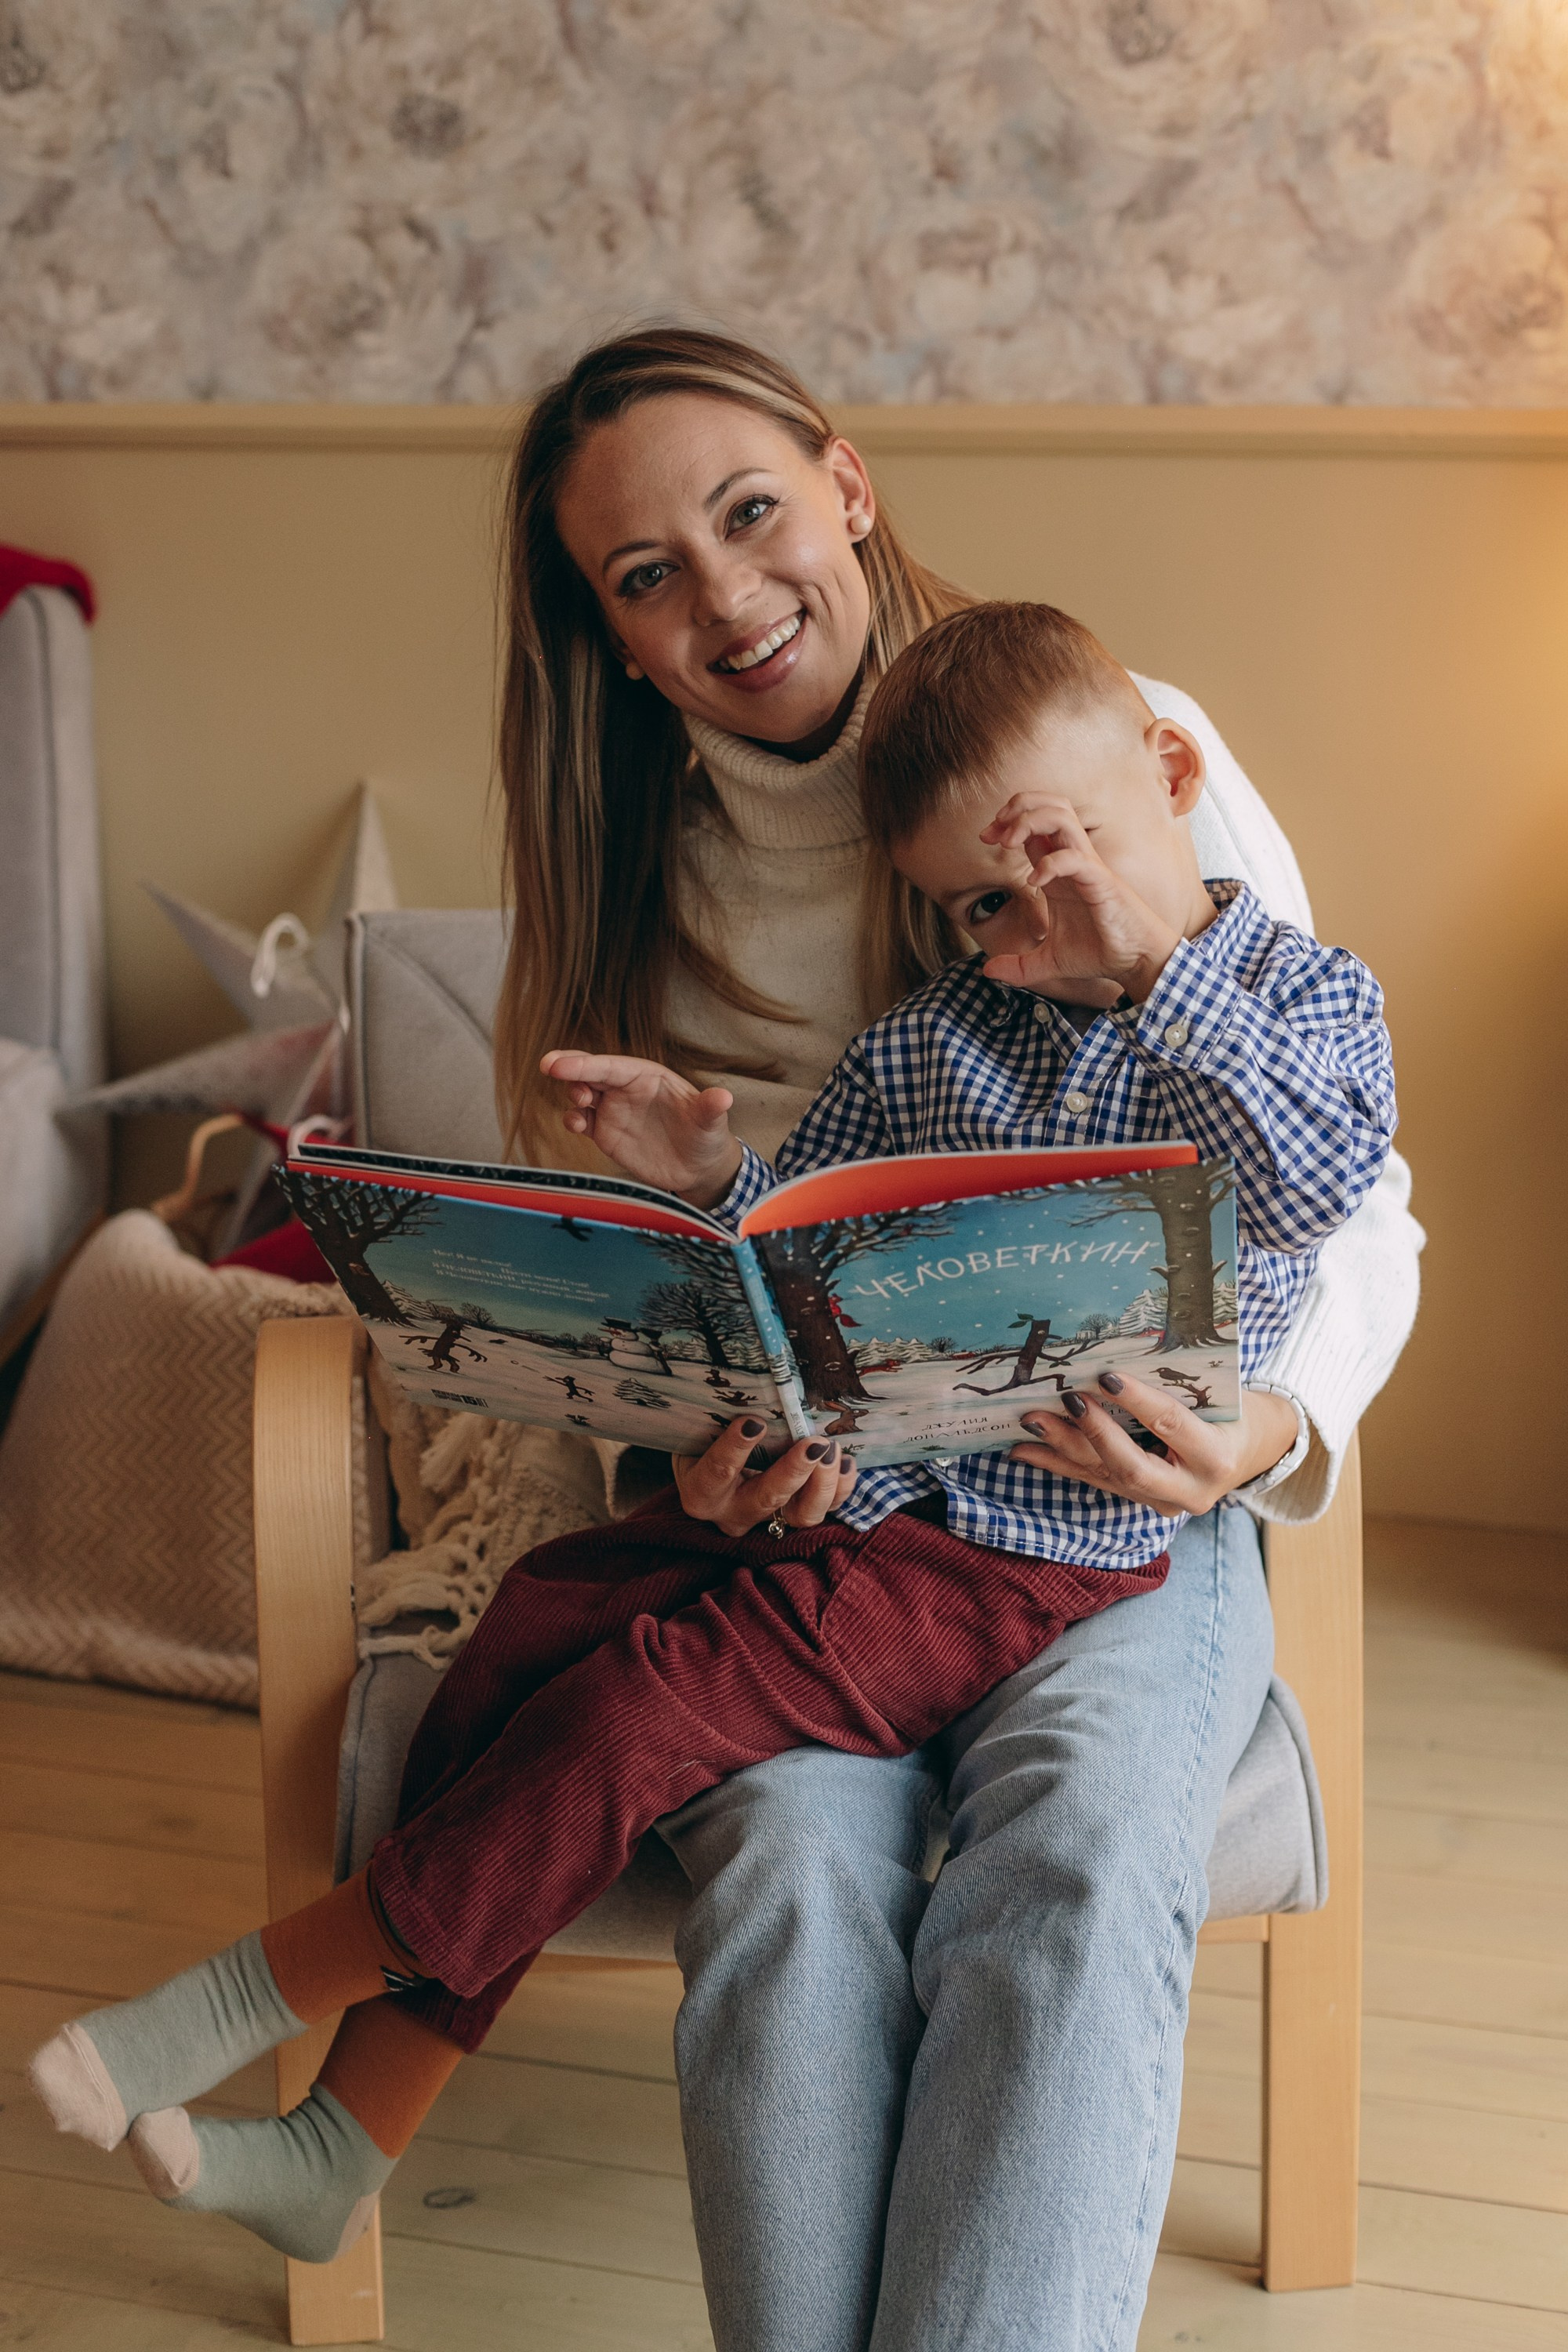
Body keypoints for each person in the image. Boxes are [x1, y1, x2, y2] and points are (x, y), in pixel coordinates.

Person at [34, 332, 1421, 2348]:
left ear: (847, 486)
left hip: (1118, 1503)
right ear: (602, 636)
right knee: (715, 1803)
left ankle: (294, 1995)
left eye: (748, 513)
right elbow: (767, 1230)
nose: (724, 596)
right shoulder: (741, 927)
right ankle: (357, 2126)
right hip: (835, 1496)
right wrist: (696, 1298)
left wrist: (1268, 1430)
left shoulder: (1110, 746)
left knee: (1076, 1850)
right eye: (643, 575)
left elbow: (1332, 1179)